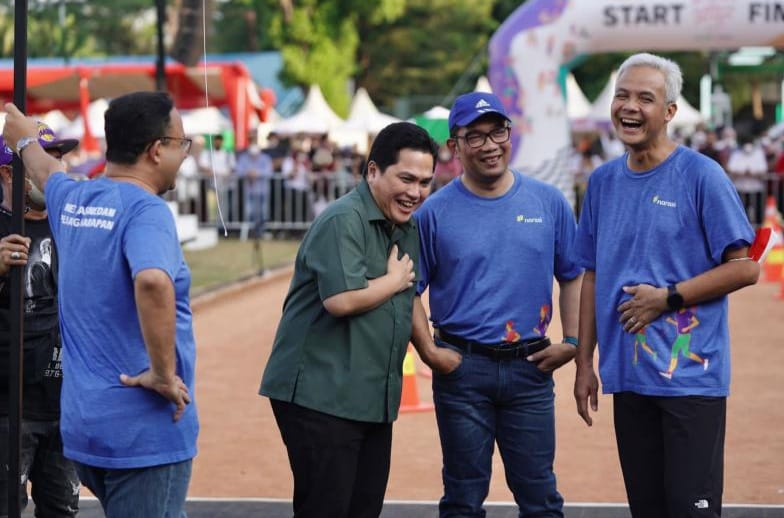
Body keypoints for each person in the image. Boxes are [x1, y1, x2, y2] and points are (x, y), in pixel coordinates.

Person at [573, 53, 759, 518]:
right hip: (629, 377)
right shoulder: (601, 183)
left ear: (670, 112)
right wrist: (583, 363)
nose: (629, 107)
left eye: (645, 98)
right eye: (622, 95)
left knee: (689, 509)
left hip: (690, 382)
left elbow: (745, 267)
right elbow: (592, 273)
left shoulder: (701, 176)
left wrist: (668, 298)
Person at [2, 91, 199, 517]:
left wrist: (21, 138)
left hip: (86, 427)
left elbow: (45, 169)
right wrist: (164, 374)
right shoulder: (146, 211)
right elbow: (151, 280)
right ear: (155, 149)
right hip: (142, 434)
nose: (185, 154)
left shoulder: (75, 199)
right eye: (181, 143)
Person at [410, 91, 583, 517]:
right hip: (462, 372)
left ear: (511, 134)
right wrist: (430, 353)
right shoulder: (433, 213)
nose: (490, 145)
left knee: (540, 496)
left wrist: (573, 342)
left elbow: (573, 275)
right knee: (463, 497)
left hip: (531, 369)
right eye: (475, 136)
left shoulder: (548, 202)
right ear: (455, 146)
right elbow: (408, 288)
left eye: (498, 132)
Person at [259, 122, 439, 518]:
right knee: (327, 508)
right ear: (373, 170)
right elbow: (340, 300)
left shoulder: (406, 226)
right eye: (406, 178)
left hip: (370, 398)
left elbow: (408, 298)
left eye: (425, 182)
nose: (415, 192)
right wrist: (392, 281)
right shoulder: (344, 220)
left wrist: (431, 351)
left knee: (363, 507)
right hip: (321, 394)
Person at [0, 124, 81, 517]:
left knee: (62, 509)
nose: (56, 168)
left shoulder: (73, 226)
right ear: (8, 172)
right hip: (8, 406)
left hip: (66, 405)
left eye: (59, 158)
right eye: (46, 159)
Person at [236, 143, 274, 239]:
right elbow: (238, 170)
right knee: (249, 212)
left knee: (263, 213)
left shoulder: (265, 158)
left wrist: (257, 173)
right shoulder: (244, 158)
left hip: (262, 191)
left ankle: (261, 232)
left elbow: (269, 171)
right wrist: (247, 173)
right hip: (249, 192)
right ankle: (250, 232)